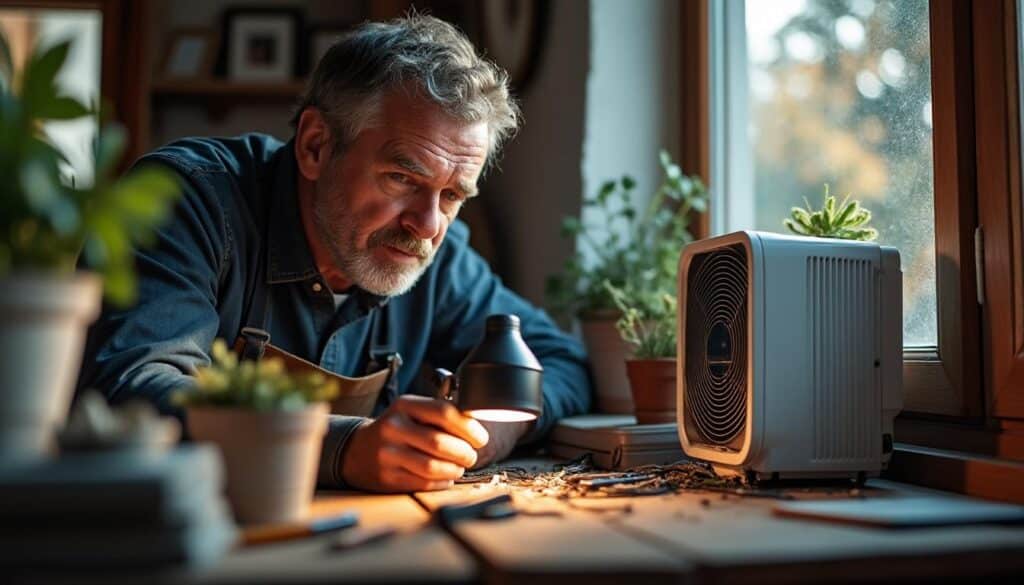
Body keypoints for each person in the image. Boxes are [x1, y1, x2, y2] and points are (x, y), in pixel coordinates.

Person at [76, 15, 592, 493]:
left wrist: (489, 432)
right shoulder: (188, 201)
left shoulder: (440, 258)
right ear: (316, 146)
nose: (428, 224)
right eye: (401, 178)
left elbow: (562, 362)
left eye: (454, 195)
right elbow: (132, 387)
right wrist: (342, 447)